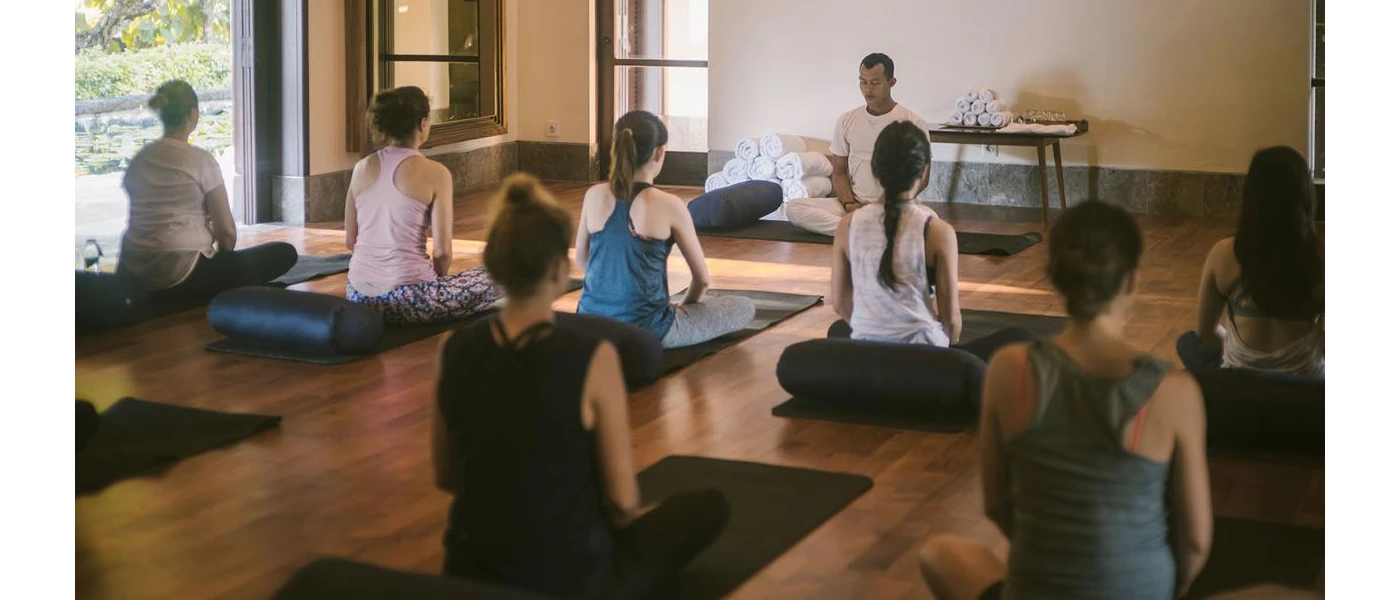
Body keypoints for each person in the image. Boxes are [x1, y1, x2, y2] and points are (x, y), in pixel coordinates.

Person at [433, 174, 730, 599]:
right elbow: (622, 504)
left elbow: (447, 477)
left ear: (494, 267)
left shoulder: (453, 349)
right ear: (559, 270)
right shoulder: (593, 357)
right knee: (708, 506)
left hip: (469, 568)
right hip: (568, 576)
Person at [918, 200, 1213, 600]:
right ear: (1131, 280)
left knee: (939, 554)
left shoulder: (1009, 369)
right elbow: (1195, 542)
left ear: (1055, 276)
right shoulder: (1175, 391)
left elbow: (996, 504)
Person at [830, 120, 1033, 362]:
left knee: (838, 330)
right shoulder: (936, 231)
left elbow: (840, 304)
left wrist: (876, 332)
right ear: (924, 171)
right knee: (1020, 337)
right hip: (925, 364)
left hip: (868, 356)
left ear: (874, 168)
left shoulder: (847, 225)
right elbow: (951, 322)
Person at [576, 110, 756, 348]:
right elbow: (701, 280)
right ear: (659, 152)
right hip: (648, 331)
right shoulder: (669, 204)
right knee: (744, 306)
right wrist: (684, 311)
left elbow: (582, 259)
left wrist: (610, 294)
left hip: (588, 325)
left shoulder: (593, 195)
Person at [117, 80, 296, 302]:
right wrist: (224, 259)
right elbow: (227, 232)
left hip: (134, 271)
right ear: (192, 114)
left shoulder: (140, 160)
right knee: (284, 253)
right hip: (184, 271)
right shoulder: (200, 160)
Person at [344, 86, 501, 325]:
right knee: (503, 273)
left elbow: (350, 240)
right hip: (411, 299)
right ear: (423, 123)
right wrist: (439, 286)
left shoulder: (360, 168)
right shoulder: (436, 173)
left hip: (358, 297)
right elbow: (442, 252)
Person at [1177, 146, 1324, 377]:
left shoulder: (1224, 254)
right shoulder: (1321, 257)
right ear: (1305, 196)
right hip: (1305, 390)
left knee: (1188, 342)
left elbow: (1206, 333)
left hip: (1240, 388)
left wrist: (1239, 348)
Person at [788, 53, 932, 237]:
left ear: (892, 82)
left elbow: (922, 177)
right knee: (795, 208)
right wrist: (849, 204)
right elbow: (839, 172)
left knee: (930, 221)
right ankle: (868, 231)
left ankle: (857, 230)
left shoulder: (913, 122)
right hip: (854, 205)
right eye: (863, 82)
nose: (867, 89)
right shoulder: (847, 120)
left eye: (875, 83)